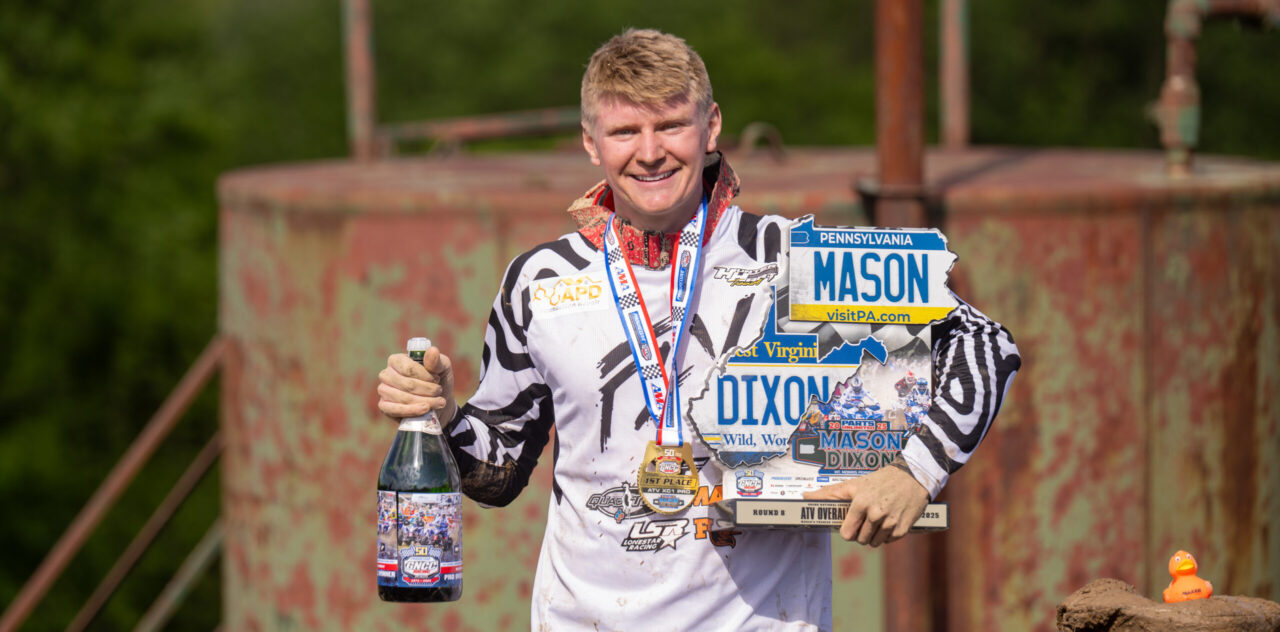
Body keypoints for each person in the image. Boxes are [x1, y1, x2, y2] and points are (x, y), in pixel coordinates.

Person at [377, 28, 1021, 631]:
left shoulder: (798, 257)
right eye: (625, 130)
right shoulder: (539, 279)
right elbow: (499, 475)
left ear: (710, 127)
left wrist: (916, 470)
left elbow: (986, 346)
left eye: (671, 125)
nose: (650, 151)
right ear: (589, 142)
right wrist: (441, 417)